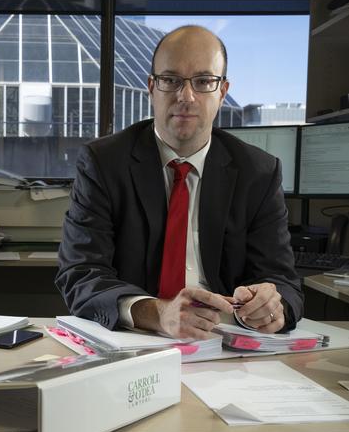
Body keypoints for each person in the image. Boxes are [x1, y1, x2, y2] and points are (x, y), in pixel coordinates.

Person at [55, 25, 302, 340]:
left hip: (226, 342)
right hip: (135, 337)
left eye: (203, 81)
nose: (186, 96)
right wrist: (157, 313)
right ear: (151, 87)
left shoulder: (259, 172)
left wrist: (270, 306)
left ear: (222, 92)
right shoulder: (103, 163)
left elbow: (284, 284)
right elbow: (80, 274)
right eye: (170, 80)